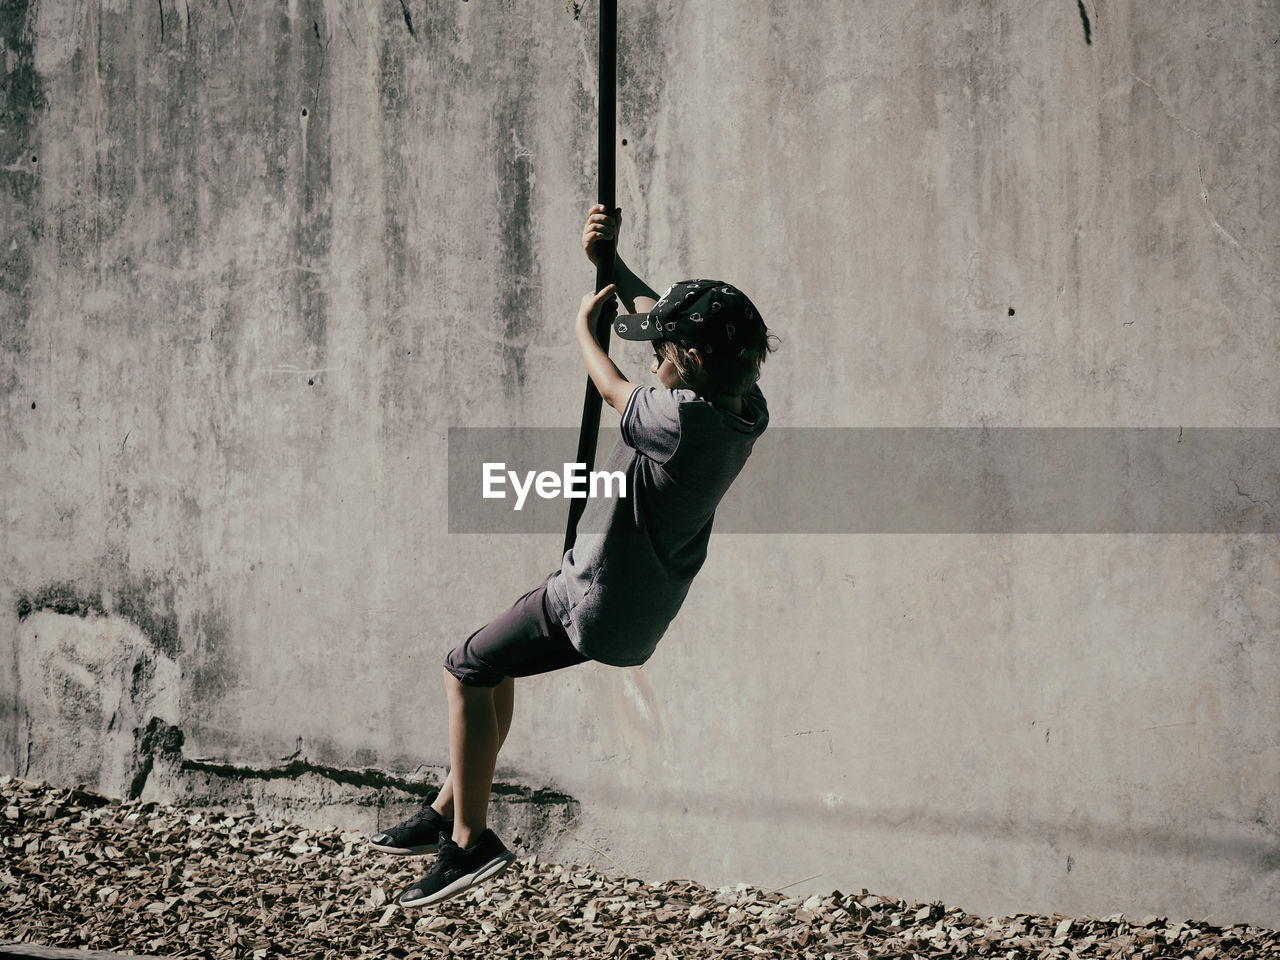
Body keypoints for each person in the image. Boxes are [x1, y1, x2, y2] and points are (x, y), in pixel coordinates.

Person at [369, 205, 776, 907]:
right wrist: (611, 258)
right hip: (629, 599)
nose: (654, 357)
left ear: (694, 362)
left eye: (664, 354)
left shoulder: (676, 421)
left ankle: (468, 843)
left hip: (594, 595)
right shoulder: (744, 407)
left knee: (467, 666)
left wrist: (581, 334)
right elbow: (657, 315)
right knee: (497, 666)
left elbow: (611, 384)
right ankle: (446, 806)